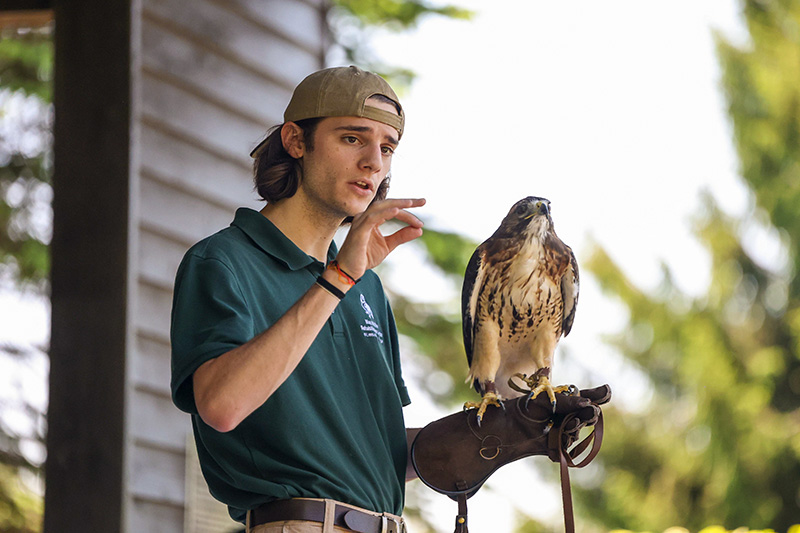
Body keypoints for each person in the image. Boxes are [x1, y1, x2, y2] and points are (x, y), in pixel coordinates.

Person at [171, 65, 424, 533]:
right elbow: (222, 406)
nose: (374, 162)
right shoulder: (223, 261)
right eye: (353, 138)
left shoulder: (366, 286)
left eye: (387, 147)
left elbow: (373, 452)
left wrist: (498, 436)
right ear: (295, 141)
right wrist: (338, 278)